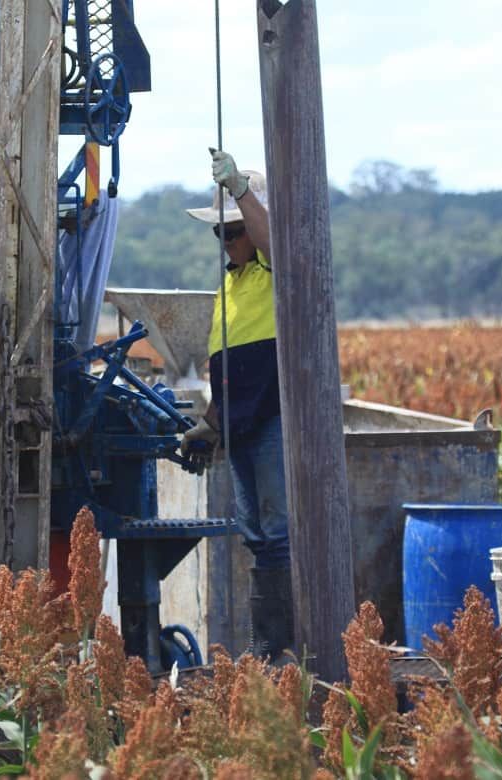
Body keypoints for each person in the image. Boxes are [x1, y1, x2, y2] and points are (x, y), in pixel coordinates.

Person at [181, 150, 293, 661]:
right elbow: (230, 371)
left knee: (278, 532)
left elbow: (275, 240)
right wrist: (210, 423)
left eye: (234, 230)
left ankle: (285, 644)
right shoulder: (229, 284)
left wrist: (242, 193)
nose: (227, 242)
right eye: (219, 233)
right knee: (257, 535)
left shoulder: (274, 268)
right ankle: (267, 644)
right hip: (242, 425)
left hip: (273, 420)